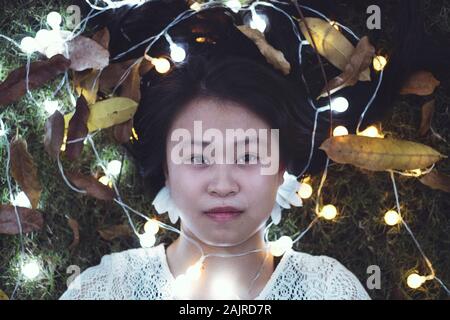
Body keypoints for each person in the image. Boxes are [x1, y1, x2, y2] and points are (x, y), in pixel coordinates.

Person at [60, 53, 370, 300]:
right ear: (166, 170)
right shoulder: (105, 290)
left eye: (248, 157)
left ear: (281, 170)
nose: (223, 185)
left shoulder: (328, 290)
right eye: (196, 158)